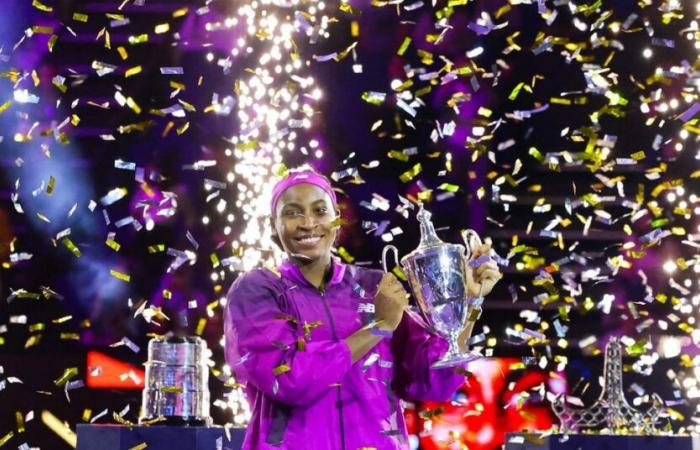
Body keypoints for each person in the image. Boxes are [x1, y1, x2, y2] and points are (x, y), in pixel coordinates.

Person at [224, 168, 501, 450]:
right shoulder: (257, 290)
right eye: (293, 213)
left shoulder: (374, 287)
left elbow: (434, 383)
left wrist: (468, 302)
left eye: (320, 211)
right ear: (273, 225)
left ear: (336, 220)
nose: (308, 223)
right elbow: (288, 379)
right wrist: (378, 327)